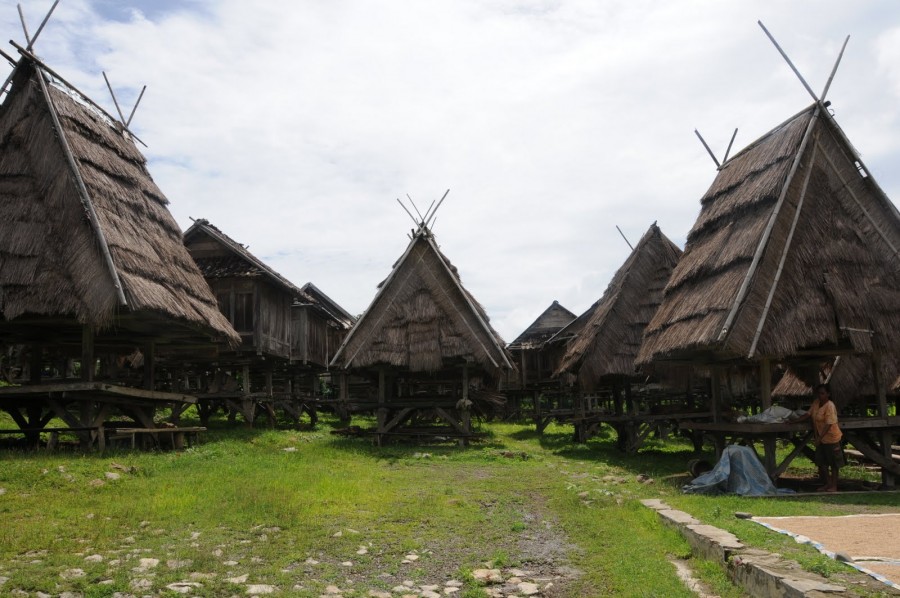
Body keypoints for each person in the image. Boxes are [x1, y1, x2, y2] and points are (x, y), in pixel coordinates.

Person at [800, 383, 843, 492]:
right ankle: (828, 483)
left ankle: (834, 485)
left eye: (823, 393)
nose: (820, 396)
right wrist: (793, 421)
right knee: (821, 462)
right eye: (819, 393)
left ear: (828, 394)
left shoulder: (830, 405)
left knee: (834, 463)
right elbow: (808, 414)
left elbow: (829, 424)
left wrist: (819, 438)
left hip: (831, 437)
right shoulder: (816, 403)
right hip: (820, 437)